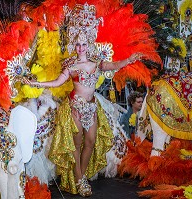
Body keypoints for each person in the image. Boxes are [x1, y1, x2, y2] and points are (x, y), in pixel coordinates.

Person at [25, 3, 142, 197]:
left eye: (83, 44)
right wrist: (38, 84)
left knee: (90, 141)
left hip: (91, 108)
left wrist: (129, 60)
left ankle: (80, 177)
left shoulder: (97, 63)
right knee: (76, 143)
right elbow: (57, 82)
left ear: (89, 43)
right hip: (75, 108)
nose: (80, 48)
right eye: (77, 44)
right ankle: (80, 181)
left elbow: (115, 64)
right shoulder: (71, 65)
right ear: (74, 44)